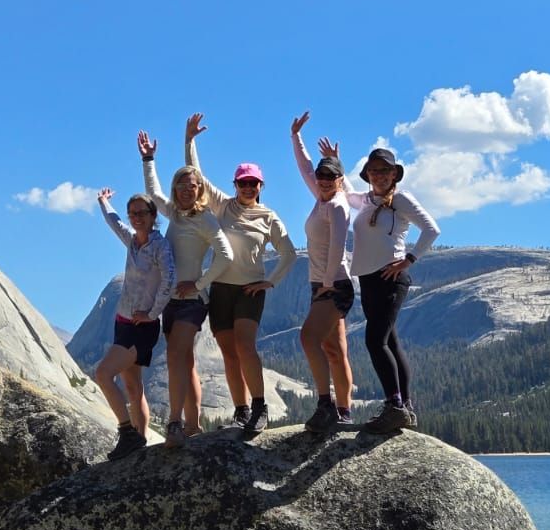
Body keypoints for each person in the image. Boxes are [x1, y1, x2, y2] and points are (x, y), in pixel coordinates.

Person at [185, 112, 297, 436]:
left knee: (246, 347)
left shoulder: (269, 216)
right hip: (220, 289)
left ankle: (260, 407)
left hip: (250, 290)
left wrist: (269, 282)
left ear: (261, 186)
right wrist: (190, 140)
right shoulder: (222, 206)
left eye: (253, 183)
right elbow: (197, 176)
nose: (248, 187)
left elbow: (288, 253)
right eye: (243, 182)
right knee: (229, 353)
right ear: (235, 185)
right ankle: (241, 410)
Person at [318, 136, 440, 433]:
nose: (379, 175)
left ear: (394, 174)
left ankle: (394, 404)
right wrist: (337, 162)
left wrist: (408, 259)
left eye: (384, 170)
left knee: (375, 341)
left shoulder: (402, 200)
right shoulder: (367, 200)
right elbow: (345, 191)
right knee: (391, 342)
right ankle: (404, 407)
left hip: (391, 278)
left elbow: (431, 229)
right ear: (368, 174)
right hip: (369, 280)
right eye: (373, 170)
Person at [137, 130, 234, 449]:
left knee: (177, 355)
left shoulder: (206, 219)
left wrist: (200, 283)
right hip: (171, 301)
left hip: (192, 301)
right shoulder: (175, 215)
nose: (186, 191)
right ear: (176, 189)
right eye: (181, 186)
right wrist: (148, 159)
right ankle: (193, 425)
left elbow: (226, 255)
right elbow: (152, 191)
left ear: (199, 189)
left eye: (192, 186)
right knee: (185, 361)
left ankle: (175, 423)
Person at [95, 188, 175, 459]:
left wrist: (153, 314)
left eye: (142, 213)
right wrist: (105, 202)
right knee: (133, 385)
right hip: (123, 321)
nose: (136, 218)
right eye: (133, 214)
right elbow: (114, 222)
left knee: (103, 374)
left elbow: (169, 280)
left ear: (153, 216)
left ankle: (127, 432)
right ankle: (139, 441)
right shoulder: (132, 242)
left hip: (142, 326)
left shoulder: (160, 247)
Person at [290, 111, 354, 432]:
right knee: (333, 349)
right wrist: (296, 136)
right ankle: (344, 412)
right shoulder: (320, 197)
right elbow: (304, 167)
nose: (325, 181)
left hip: (335, 284)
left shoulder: (339, 205)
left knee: (307, 338)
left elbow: (340, 245)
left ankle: (325, 405)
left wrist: (327, 284)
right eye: (322, 176)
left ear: (340, 179)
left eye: (331, 176)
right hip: (322, 284)